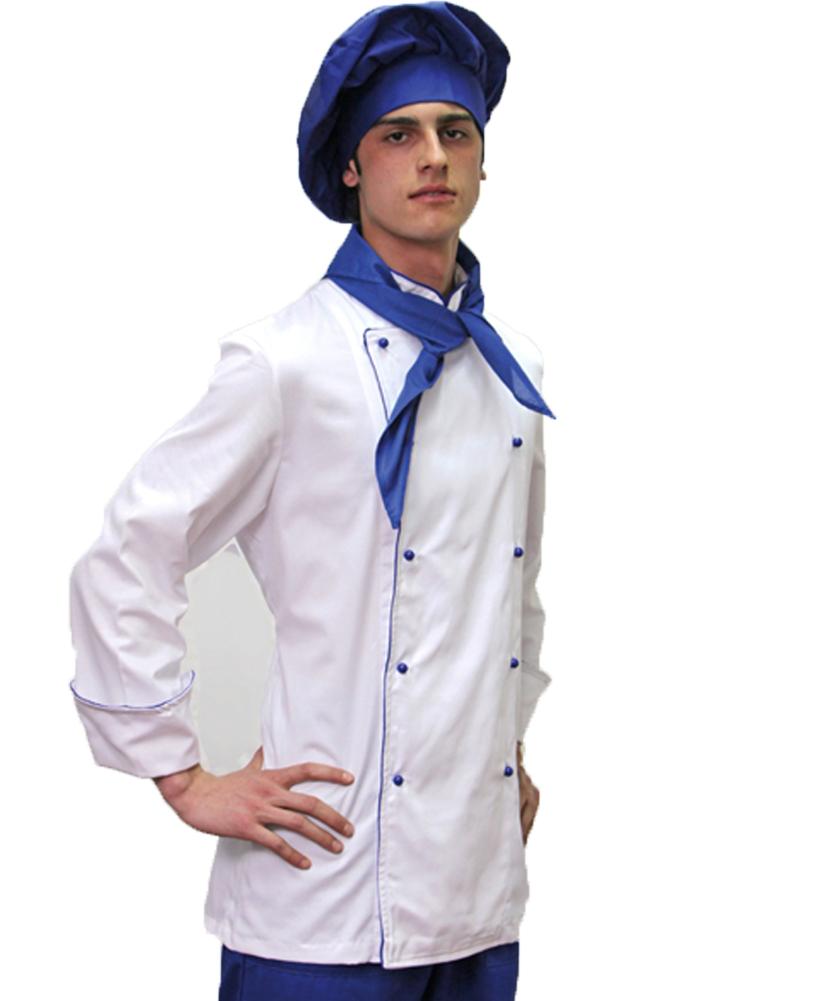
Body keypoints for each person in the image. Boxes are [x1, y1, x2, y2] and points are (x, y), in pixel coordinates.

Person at [67, 3, 555, 998]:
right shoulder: (284, 358)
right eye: (398, 135)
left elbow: (512, 592)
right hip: (319, 890)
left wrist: (503, 750)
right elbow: (129, 551)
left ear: (482, 160)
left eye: (455, 132)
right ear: (351, 168)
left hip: (475, 885)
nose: (433, 157)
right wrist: (181, 774)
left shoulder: (514, 373)